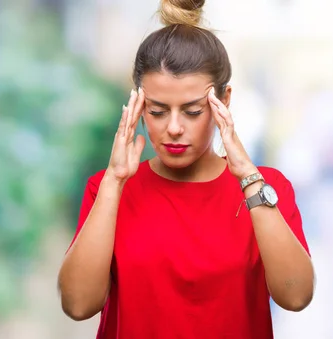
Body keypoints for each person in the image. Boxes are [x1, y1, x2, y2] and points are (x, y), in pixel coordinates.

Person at [56, 1, 315, 338]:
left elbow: (296, 296)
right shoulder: (109, 189)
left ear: (225, 101)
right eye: (158, 110)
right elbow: (77, 305)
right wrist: (114, 181)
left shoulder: (266, 188)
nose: (174, 128)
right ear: (137, 106)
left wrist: (249, 180)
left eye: (193, 111)